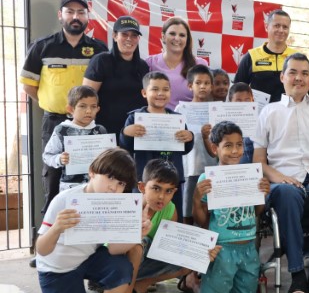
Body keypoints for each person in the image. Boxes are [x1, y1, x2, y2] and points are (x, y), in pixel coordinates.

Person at [253, 52, 309, 293]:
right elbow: (258, 161)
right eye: (293, 72)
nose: (299, 78)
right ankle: (297, 277)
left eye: (305, 73)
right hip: (283, 182)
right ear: (283, 77)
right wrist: (280, 177)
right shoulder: (269, 113)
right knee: (286, 193)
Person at [35, 148, 144, 293]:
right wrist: (57, 228)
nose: (114, 187)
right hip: (57, 270)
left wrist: (138, 234)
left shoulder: (115, 205)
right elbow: (41, 249)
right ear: (92, 172)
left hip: (87, 259)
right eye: (110, 177)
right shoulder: (65, 200)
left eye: (121, 183)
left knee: (122, 268)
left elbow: (113, 250)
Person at [20, 0, 108, 217]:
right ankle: (50, 240)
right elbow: (29, 86)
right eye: (70, 12)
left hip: (90, 125)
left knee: (93, 177)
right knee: (53, 177)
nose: (75, 17)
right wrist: (52, 104)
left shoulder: (100, 49)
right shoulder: (42, 47)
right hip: (55, 121)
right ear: (61, 15)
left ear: (88, 17)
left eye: (81, 12)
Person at [190, 121, 270, 293]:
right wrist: (196, 198)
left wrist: (263, 195)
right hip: (222, 249)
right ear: (215, 148)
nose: (235, 151)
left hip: (248, 247)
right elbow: (202, 220)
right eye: (228, 146)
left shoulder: (251, 176)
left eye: (239, 144)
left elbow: (257, 211)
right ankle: (197, 286)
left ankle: (223, 288)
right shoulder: (206, 180)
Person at [119, 71, 194, 221]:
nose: (161, 93)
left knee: (173, 221)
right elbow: (126, 147)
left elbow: (185, 150)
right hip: (144, 180)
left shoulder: (177, 119)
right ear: (144, 93)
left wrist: (189, 138)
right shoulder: (134, 118)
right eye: (155, 89)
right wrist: (126, 133)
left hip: (172, 182)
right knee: (139, 219)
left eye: (165, 89)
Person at [122, 160, 191, 293]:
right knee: (140, 242)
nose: (161, 196)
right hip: (119, 264)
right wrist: (136, 233)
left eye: (168, 191)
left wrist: (199, 252)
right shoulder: (127, 208)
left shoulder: (170, 209)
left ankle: (140, 285)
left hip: (142, 263)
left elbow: (168, 246)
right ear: (142, 187)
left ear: (175, 192)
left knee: (189, 260)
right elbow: (111, 250)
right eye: (156, 188)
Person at [83, 15, 149, 139]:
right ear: (114, 36)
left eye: (134, 35)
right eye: (124, 34)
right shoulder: (101, 61)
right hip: (104, 133)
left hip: (136, 133)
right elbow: (85, 99)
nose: (129, 39)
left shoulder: (143, 66)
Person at [43, 86, 107, 191]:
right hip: (70, 187)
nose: (88, 111)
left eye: (93, 106)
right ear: (70, 109)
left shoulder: (101, 130)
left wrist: (112, 153)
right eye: (82, 106)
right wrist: (59, 158)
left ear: (98, 109)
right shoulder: (61, 130)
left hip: (97, 186)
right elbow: (47, 155)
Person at [175, 65, 217, 225]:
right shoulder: (181, 109)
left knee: (209, 208)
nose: (203, 86)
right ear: (190, 86)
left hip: (211, 165)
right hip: (190, 167)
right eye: (198, 83)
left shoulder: (216, 109)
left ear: (211, 86)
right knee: (188, 209)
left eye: (207, 83)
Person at [146, 16, 208, 110]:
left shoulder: (200, 64)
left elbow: (207, 99)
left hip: (190, 122)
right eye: (172, 34)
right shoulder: (150, 63)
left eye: (182, 35)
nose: (177, 38)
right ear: (163, 37)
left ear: (187, 39)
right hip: (158, 122)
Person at [234, 9, 296, 103]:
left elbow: (306, 88)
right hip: (259, 116)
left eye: (285, 27)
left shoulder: (295, 57)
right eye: (277, 26)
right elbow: (236, 90)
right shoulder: (251, 56)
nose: (281, 30)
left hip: (289, 115)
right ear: (266, 26)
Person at [226, 82, 256, 164]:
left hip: (254, 171)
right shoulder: (224, 124)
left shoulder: (260, 122)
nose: (243, 105)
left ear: (253, 100)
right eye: (238, 101)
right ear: (230, 102)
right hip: (230, 171)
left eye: (247, 100)